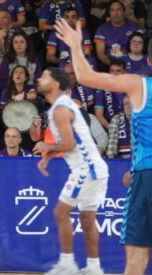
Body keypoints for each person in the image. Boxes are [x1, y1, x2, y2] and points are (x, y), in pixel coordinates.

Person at [55, 17, 150, 275]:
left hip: (146, 175)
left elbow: (85, 77)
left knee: (136, 258)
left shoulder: (140, 84)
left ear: (148, 62)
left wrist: (76, 46)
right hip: (143, 171)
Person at [33, 63, 109, 275]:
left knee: (60, 212)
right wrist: (48, 155)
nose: (39, 79)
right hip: (95, 168)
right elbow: (71, 141)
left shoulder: (60, 109)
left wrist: (46, 146)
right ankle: (94, 268)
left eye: (44, 76)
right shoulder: (61, 105)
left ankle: (67, 265)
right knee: (87, 219)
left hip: (86, 169)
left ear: (55, 84)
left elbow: (70, 144)